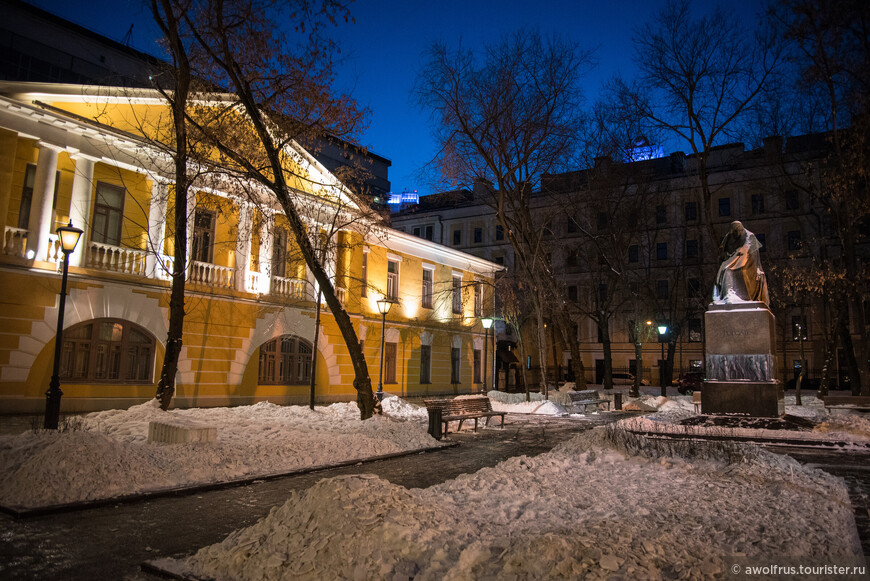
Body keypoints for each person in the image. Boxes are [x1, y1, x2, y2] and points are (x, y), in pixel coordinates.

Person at [713, 221, 769, 305]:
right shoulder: (728, 237)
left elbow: (746, 252)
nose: (736, 233)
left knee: (728, 270)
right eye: (734, 231)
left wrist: (735, 258)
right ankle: (728, 294)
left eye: (738, 230)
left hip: (749, 265)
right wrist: (727, 256)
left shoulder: (749, 236)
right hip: (733, 262)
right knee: (725, 270)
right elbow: (722, 253)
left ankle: (731, 293)